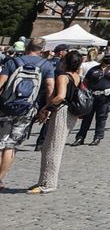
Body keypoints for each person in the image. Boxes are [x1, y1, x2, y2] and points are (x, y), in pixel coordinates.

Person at [28, 49, 82, 194]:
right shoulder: (76, 76)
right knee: (49, 147)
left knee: (53, 149)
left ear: (65, 62)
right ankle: (43, 180)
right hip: (70, 113)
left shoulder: (63, 77)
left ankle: (49, 183)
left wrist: (45, 109)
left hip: (62, 112)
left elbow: (60, 96)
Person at [0, 39, 50, 190]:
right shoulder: (46, 65)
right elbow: (50, 87)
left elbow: (1, 82)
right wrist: (46, 108)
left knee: (0, 143)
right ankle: (0, 179)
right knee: (11, 146)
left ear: (27, 47)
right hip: (27, 110)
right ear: (42, 50)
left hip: (5, 107)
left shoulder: (13, 62)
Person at [74, 51, 110, 146]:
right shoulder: (94, 69)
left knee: (101, 118)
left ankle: (98, 137)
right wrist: (84, 93)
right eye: (107, 56)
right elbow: (85, 82)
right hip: (92, 96)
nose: (108, 58)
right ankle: (80, 137)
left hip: (105, 97)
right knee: (86, 118)